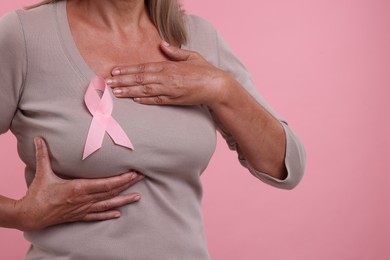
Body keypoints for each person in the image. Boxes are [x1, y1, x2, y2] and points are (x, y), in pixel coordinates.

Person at [0, 0, 306, 259]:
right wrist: (20, 214)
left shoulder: (198, 37)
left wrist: (222, 88)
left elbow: (285, 165)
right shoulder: (25, 36)